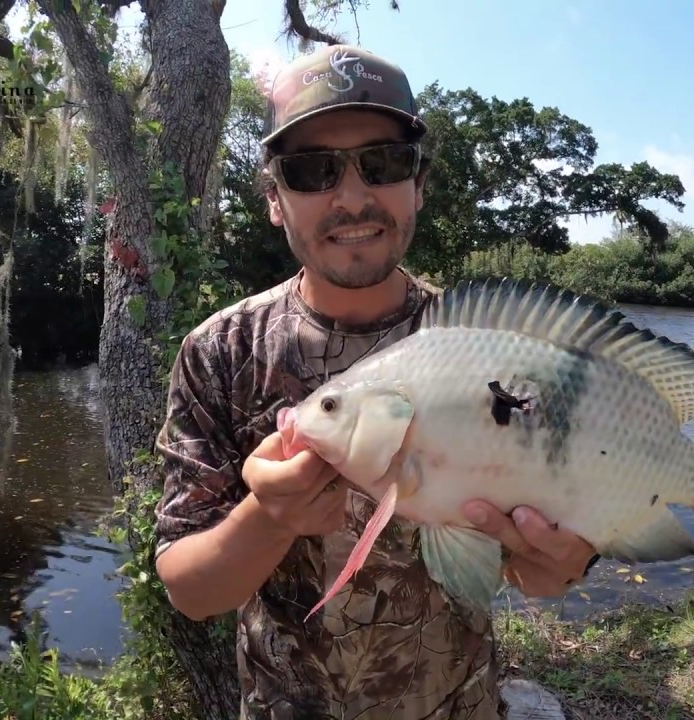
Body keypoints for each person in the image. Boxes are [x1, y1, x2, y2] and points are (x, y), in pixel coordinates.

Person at [152, 43, 599, 720]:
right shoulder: (221, 351)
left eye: (382, 163)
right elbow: (191, 591)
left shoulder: (493, 353)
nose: (353, 198)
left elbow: (531, 568)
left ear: (419, 182)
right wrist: (268, 517)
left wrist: (560, 560)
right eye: (312, 171)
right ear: (275, 200)